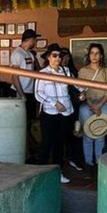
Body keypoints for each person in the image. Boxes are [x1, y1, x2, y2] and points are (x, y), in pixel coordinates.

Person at [34, 44, 74, 184]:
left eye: (59, 55)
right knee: (46, 142)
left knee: (60, 144)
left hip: (66, 112)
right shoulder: (42, 73)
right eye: (54, 55)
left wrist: (83, 91)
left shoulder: (66, 71)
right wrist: (54, 103)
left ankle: (58, 172)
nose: (57, 58)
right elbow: (38, 94)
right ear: (48, 57)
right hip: (50, 113)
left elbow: (74, 86)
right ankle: (39, 174)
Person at [78, 44, 107, 168]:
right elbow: (80, 90)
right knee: (87, 134)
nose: (94, 55)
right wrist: (91, 104)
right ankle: (88, 162)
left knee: (100, 134)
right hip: (87, 104)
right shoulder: (83, 71)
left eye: (97, 53)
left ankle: (99, 162)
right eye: (92, 53)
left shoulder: (106, 71)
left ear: (101, 55)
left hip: (102, 103)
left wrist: (99, 105)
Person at [10, 29, 40, 120]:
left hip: (30, 91)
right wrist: (21, 93)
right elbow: (14, 76)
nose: (35, 42)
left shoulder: (30, 54)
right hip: (20, 91)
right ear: (29, 39)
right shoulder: (17, 54)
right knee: (20, 120)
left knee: (30, 119)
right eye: (34, 39)